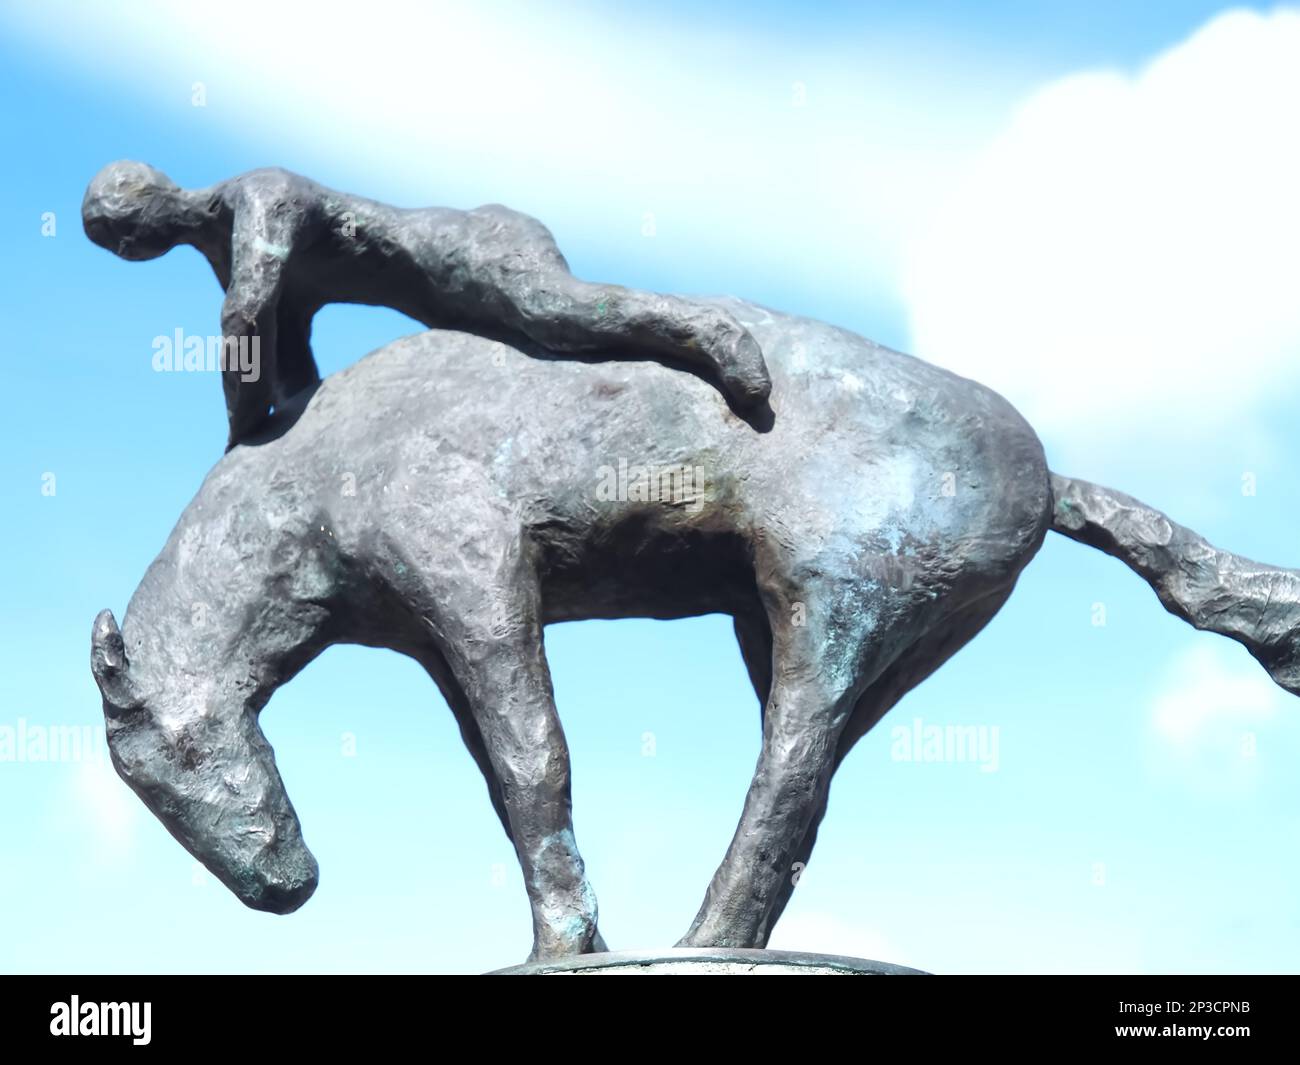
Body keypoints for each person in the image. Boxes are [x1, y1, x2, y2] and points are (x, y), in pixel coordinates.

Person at [82, 162, 772, 447]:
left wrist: (236, 431)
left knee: (558, 314)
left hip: (464, 252)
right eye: (110, 244)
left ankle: (706, 331)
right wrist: (265, 431)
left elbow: (248, 313)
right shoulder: (222, 255)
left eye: (116, 231)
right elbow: (287, 369)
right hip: (440, 311)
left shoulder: (257, 198)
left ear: (146, 201)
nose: (123, 248)